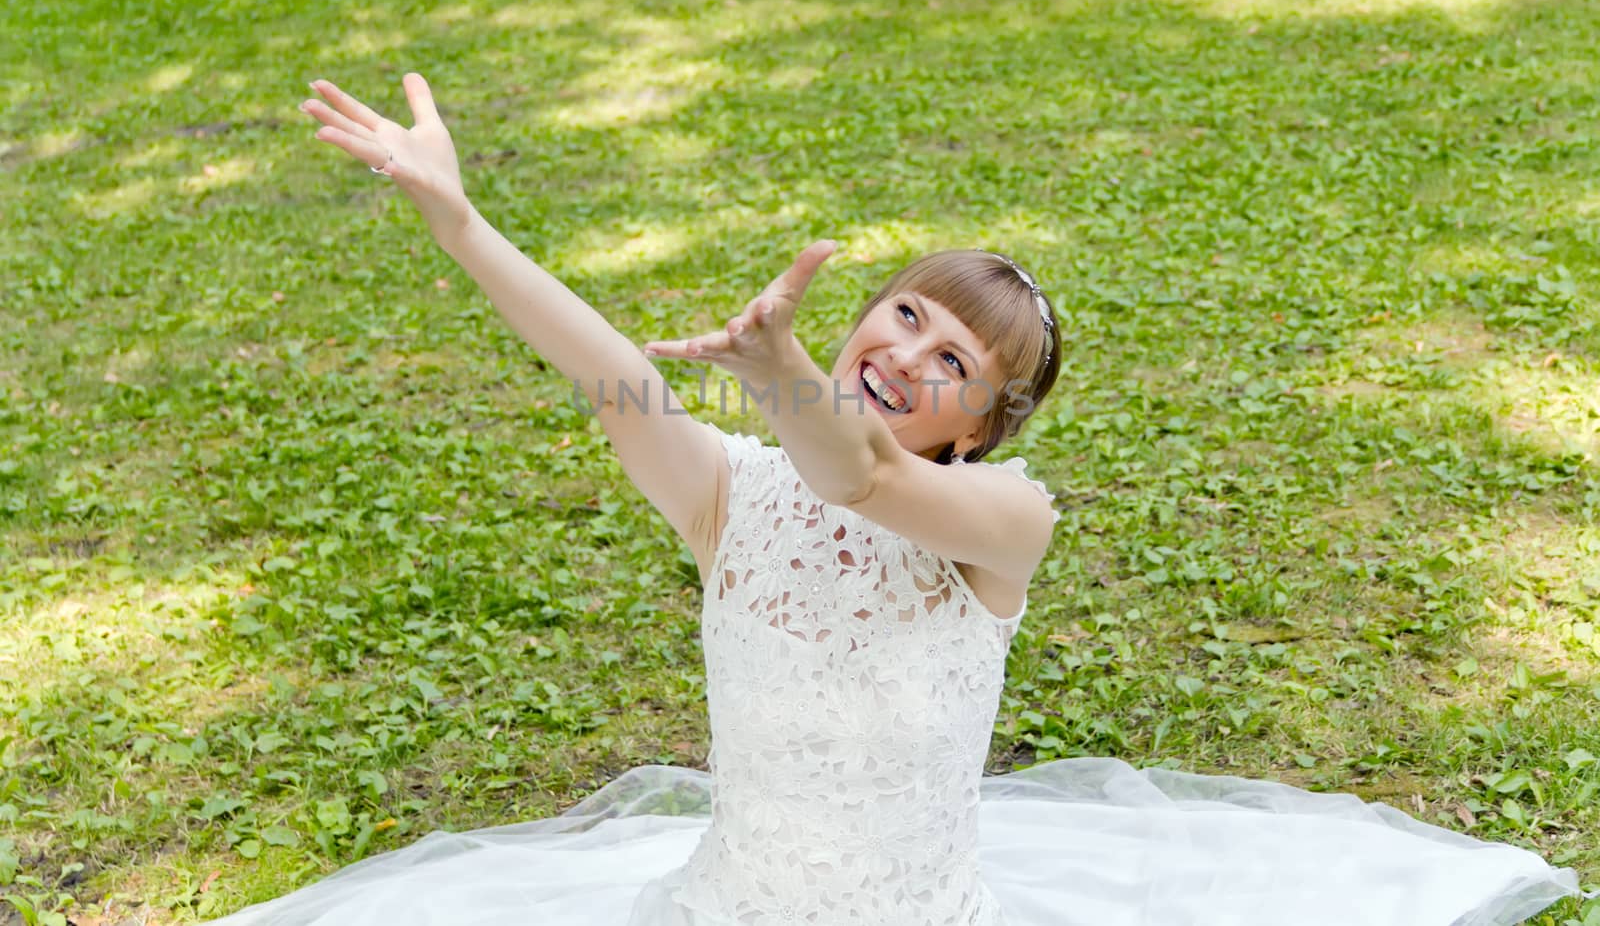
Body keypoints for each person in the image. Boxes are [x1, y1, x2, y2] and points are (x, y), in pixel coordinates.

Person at [204, 74, 1592, 925]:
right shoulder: (726, 500)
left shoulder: (1003, 526)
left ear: (984, 425)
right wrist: (458, 217)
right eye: (906, 316)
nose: (908, 356)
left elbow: (859, 476)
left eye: (953, 364)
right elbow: (614, 374)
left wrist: (780, 365)